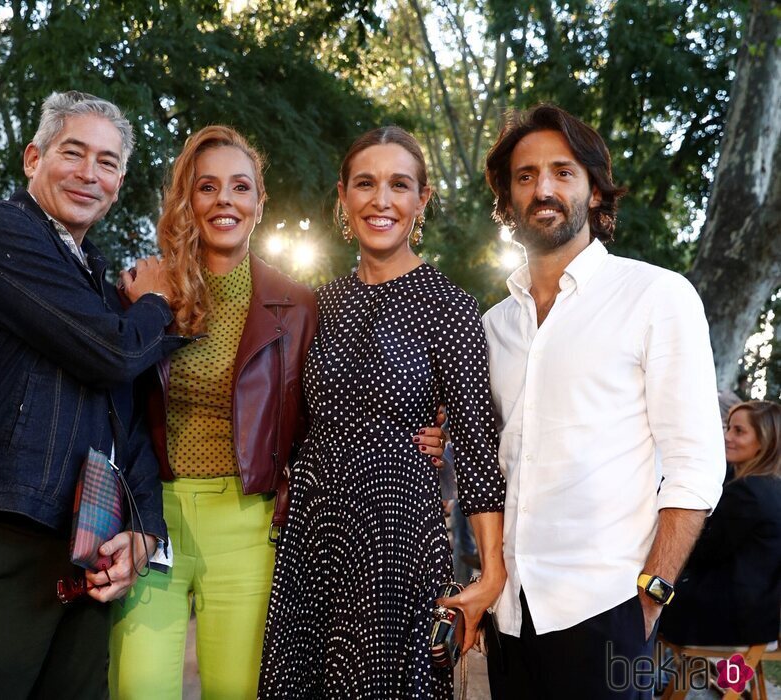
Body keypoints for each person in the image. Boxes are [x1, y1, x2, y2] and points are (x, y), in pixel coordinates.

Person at [0, 91, 183, 699]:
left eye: (106, 163)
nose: (88, 173)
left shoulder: (95, 274)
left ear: (119, 182)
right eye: (73, 153)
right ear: (33, 158)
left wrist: (146, 531)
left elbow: (126, 417)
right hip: (9, 537)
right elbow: (117, 353)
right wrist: (154, 300)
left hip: (87, 546)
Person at [476, 104, 725, 698]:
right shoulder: (492, 326)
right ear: (508, 201)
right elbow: (490, 455)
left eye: (563, 172)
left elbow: (695, 467)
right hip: (509, 613)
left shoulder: (657, 296)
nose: (544, 189)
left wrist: (651, 597)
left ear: (593, 190)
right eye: (526, 175)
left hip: (608, 610)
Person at [257, 126, 506, 698]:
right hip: (314, 537)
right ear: (343, 196)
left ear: (422, 199)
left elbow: (473, 445)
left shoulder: (451, 307)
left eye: (400, 184)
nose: (382, 199)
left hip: (398, 538)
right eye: (366, 184)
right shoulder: (316, 304)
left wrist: (491, 570)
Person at [108, 126, 316, 699]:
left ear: (258, 201)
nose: (224, 199)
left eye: (240, 187)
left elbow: (322, 411)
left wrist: (418, 430)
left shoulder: (297, 304)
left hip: (249, 523)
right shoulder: (145, 293)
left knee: (238, 690)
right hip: (150, 522)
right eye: (208, 187)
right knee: (138, 688)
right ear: (187, 200)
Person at [660, 400, 781, 647]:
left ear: (765, 441)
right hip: (760, 614)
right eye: (728, 428)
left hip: (726, 616)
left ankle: (642, 677)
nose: (727, 437)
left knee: (642, 591)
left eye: (739, 431)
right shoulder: (770, 486)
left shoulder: (748, 492)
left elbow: (700, 552)